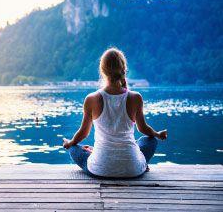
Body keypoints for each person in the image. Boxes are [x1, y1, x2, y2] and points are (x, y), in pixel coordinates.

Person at [63, 48, 167, 178]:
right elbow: (143, 129)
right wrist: (157, 134)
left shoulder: (91, 99)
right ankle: (140, 164)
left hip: (100, 169)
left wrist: (69, 143)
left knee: (74, 148)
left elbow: (83, 134)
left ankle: (96, 154)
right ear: (124, 69)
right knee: (150, 140)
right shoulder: (136, 97)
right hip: (132, 170)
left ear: (102, 70)